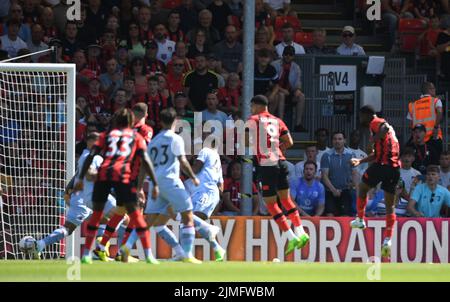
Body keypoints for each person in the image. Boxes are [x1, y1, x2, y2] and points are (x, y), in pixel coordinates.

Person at [73, 108, 159, 265]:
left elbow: (91, 156)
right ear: (130, 122)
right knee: (136, 214)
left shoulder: (106, 135)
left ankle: (88, 253)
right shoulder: (136, 136)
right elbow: (145, 160)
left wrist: (79, 178)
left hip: (104, 175)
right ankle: (148, 255)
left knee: (98, 215)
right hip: (123, 176)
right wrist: (155, 183)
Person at [29, 133, 118, 258]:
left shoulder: (86, 156)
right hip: (88, 198)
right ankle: (103, 247)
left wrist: (67, 191)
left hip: (80, 198)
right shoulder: (94, 157)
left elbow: (77, 176)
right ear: (91, 142)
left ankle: (41, 244)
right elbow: (89, 174)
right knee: (119, 216)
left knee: (103, 219)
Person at [138, 108, 203, 264]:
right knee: (187, 215)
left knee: (149, 221)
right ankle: (187, 255)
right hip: (170, 181)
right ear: (176, 122)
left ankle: (125, 247)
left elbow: (144, 165)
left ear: (160, 121)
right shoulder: (175, 139)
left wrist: (140, 187)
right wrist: (193, 177)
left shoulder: (154, 140)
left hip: (156, 183)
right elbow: (183, 161)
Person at [248, 95, 309, 255]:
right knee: (286, 199)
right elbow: (289, 142)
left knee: (270, 204)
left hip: (267, 165)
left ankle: (291, 237)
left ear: (256, 105)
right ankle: (301, 232)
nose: (251, 109)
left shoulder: (253, 119)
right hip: (281, 162)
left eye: (252, 106)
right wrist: (277, 148)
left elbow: (246, 141)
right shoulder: (277, 120)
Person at [350, 105, 401, 258]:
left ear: (367, 115)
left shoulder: (375, 122)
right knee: (389, 205)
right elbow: (376, 154)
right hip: (394, 168)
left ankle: (360, 218)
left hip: (382, 166)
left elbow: (383, 128)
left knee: (362, 187)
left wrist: (374, 138)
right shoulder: (384, 130)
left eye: (361, 116)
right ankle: (388, 240)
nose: (360, 119)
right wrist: (361, 161)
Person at [183, 129, 227, 261]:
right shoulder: (217, 157)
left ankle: (185, 254)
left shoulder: (205, 151)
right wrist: (217, 201)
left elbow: (195, 170)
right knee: (189, 221)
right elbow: (221, 184)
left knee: (188, 219)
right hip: (211, 193)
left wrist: (181, 164)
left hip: (204, 192)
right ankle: (216, 248)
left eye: (204, 137)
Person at [321, 131, 357, 217]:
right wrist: (333, 190)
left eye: (340, 139)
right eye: (335, 139)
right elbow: (324, 176)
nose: (337, 141)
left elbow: (354, 173)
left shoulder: (351, 155)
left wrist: (353, 185)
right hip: (330, 191)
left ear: (344, 140)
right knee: (329, 215)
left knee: (345, 216)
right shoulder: (326, 155)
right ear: (332, 141)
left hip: (345, 190)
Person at [271, 45, 306, 131]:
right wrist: (282, 90)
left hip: (290, 91)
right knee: (281, 95)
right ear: (282, 55)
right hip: (276, 90)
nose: (288, 56)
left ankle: (298, 124)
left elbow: (298, 83)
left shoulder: (296, 67)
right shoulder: (274, 65)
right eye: (286, 54)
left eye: (290, 54)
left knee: (301, 96)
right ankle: (281, 124)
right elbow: (271, 83)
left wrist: (298, 90)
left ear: (293, 56)